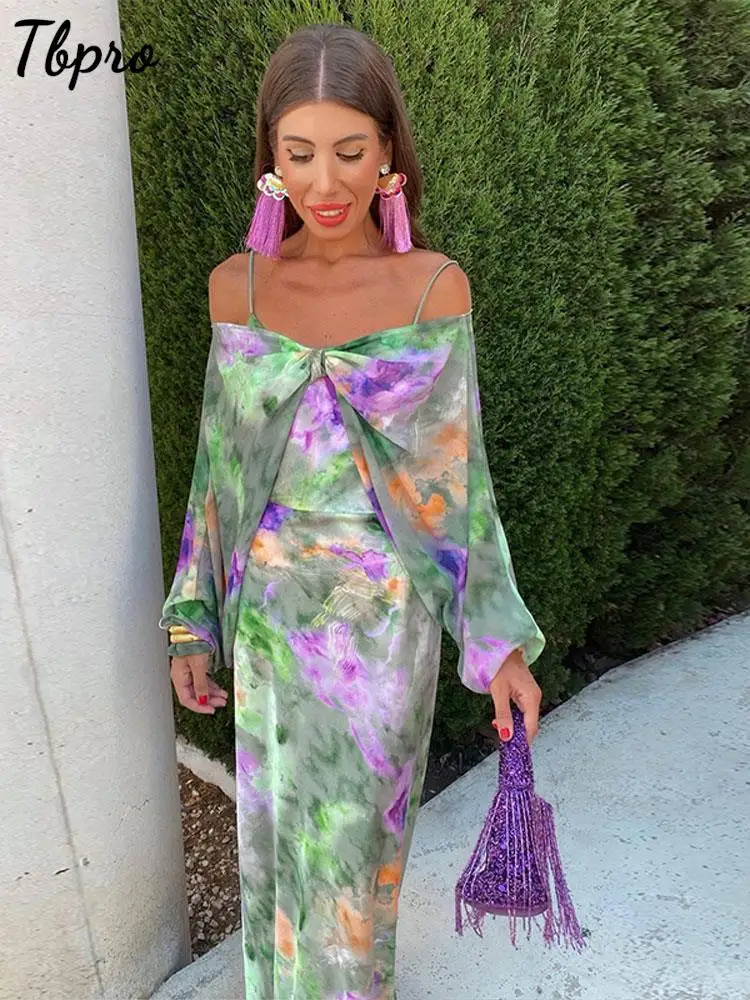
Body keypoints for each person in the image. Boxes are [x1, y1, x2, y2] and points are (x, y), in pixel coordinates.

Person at [160, 22, 546, 1000]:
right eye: (299, 154)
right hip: (269, 626)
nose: (324, 181)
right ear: (270, 158)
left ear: (388, 154)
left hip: (380, 632)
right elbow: (219, 468)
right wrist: (191, 619)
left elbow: (458, 486)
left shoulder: (431, 288)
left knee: (352, 878)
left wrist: (497, 646)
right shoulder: (237, 287)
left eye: (348, 151)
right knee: (279, 861)